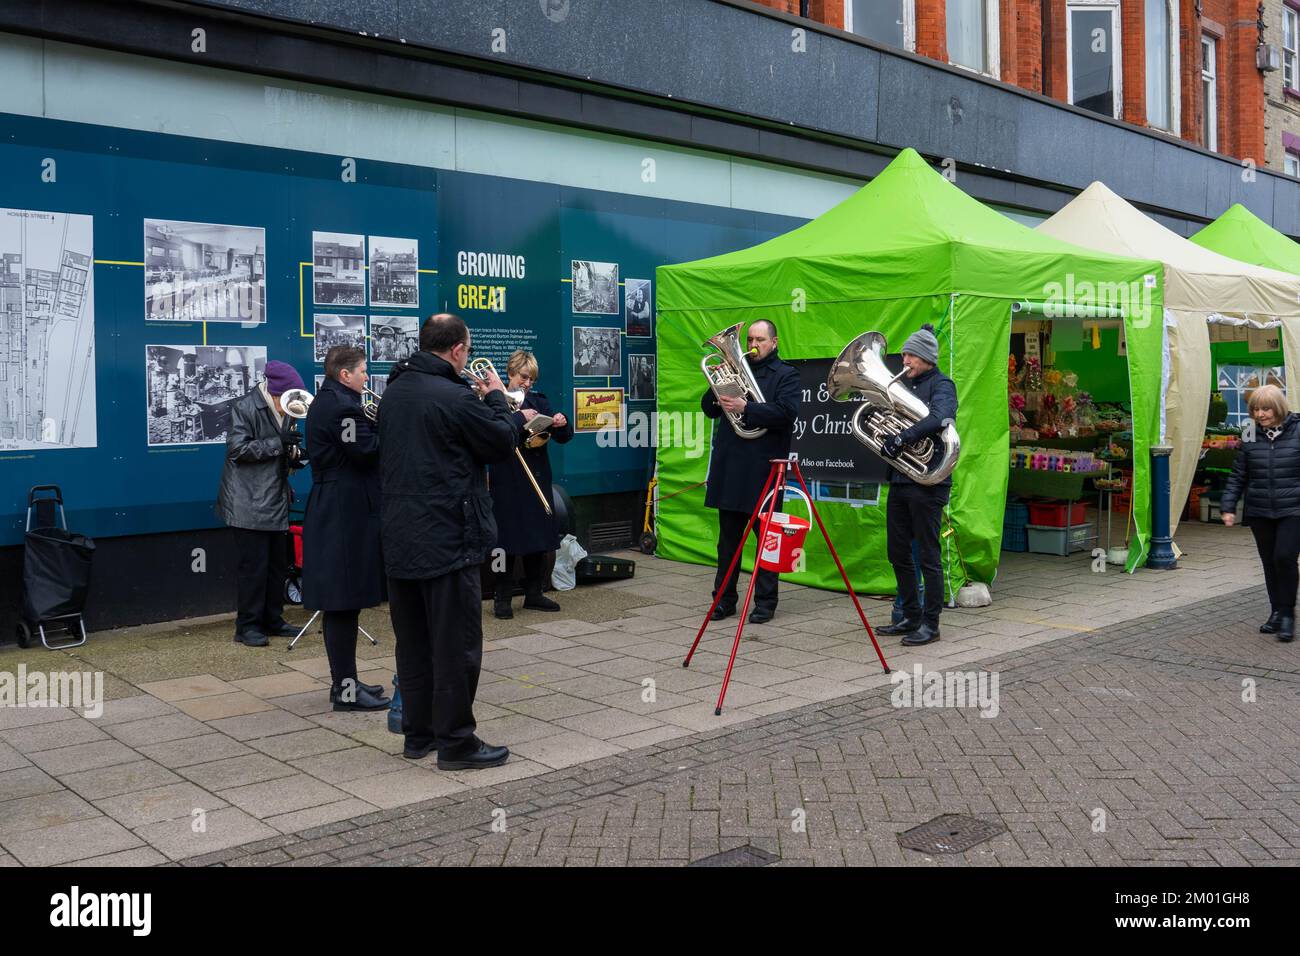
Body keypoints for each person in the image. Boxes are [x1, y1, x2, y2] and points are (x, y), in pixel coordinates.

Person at [379, 313, 518, 769]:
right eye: (468, 349)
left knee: (413, 642)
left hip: (401, 536)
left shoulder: (396, 389)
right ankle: (457, 742)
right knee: (456, 645)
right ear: (457, 350)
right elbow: (501, 441)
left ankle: (418, 735)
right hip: (448, 535)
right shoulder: (455, 396)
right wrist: (497, 397)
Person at [302, 346, 391, 711]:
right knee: (341, 601)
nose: (366, 377)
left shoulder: (334, 402)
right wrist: (391, 424)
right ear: (345, 375)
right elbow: (367, 452)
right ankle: (344, 690)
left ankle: (348, 682)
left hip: (341, 507)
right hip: (341, 511)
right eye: (362, 371)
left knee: (347, 601)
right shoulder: (339, 407)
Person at [701, 320, 801, 624]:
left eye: (759, 340)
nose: (752, 345)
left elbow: (786, 413)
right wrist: (717, 388)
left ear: (774, 342)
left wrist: (746, 407)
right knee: (728, 540)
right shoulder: (733, 369)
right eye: (749, 340)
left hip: (765, 468)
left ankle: (765, 603)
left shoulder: (787, 375)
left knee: (768, 540)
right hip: (732, 465)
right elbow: (709, 408)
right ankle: (724, 599)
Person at [215, 360, 309, 647]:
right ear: (274, 392)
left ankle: (272, 619)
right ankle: (247, 626)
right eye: (287, 398)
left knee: (276, 566)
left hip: (274, 499)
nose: (292, 404)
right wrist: (278, 443)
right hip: (248, 501)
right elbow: (237, 450)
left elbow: (279, 453)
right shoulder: (244, 407)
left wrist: (295, 457)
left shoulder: (286, 408)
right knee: (253, 568)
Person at [876, 323, 958, 647]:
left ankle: (931, 623)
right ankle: (909, 614)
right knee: (897, 551)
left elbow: (940, 417)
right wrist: (888, 439)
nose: (905, 360)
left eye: (910, 355)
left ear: (926, 358)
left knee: (927, 555)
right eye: (905, 354)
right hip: (901, 478)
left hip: (929, 482)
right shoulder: (905, 385)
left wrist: (902, 437)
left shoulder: (942, 384)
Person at [489, 350, 574, 619]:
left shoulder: (539, 400)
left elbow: (563, 437)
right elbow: (493, 434)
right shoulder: (496, 402)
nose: (528, 384)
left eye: (532, 379)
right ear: (510, 374)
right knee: (505, 541)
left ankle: (534, 593)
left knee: (537, 536)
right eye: (524, 377)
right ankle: (501, 596)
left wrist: (561, 422)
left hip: (536, 475)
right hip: (507, 477)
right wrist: (520, 419)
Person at [1221, 384, 1300, 642]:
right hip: (1260, 509)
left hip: (1293, 509)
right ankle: (1276, 612)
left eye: (1265, 408)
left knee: (1284, 557)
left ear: (1278, 408)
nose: (1260, 414)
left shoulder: (1298, 431)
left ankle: (1288, 614)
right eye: (1255, 409)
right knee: (1270, 562)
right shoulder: (1250, 435)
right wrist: (1228, 506)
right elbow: (1238, 474)